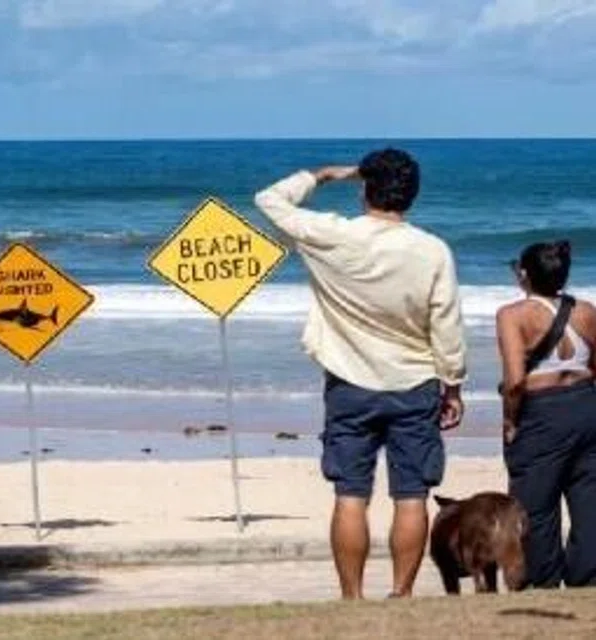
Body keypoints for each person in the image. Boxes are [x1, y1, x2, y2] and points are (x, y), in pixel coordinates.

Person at [254, 148, 467, 599]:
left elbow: (270, 200)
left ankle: (352, 597)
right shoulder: (431, 250)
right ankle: (401, 595)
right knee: (411, 495)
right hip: (414, 383)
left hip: (349, 382)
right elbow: (445, 324)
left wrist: (325, 175)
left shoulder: (332, 235)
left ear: (365, 189)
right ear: (412, 195)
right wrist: (453, 385)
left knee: (351, 494)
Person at [497, 241, 596, 589]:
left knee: (535, 504)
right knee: (588, 499)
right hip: (586, 405)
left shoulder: (513, 315)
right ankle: (587, 578)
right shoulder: (586, 310)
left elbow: (514, 381)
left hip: (541, 411)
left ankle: (544, 580)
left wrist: (511, 420)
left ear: (524, 274)